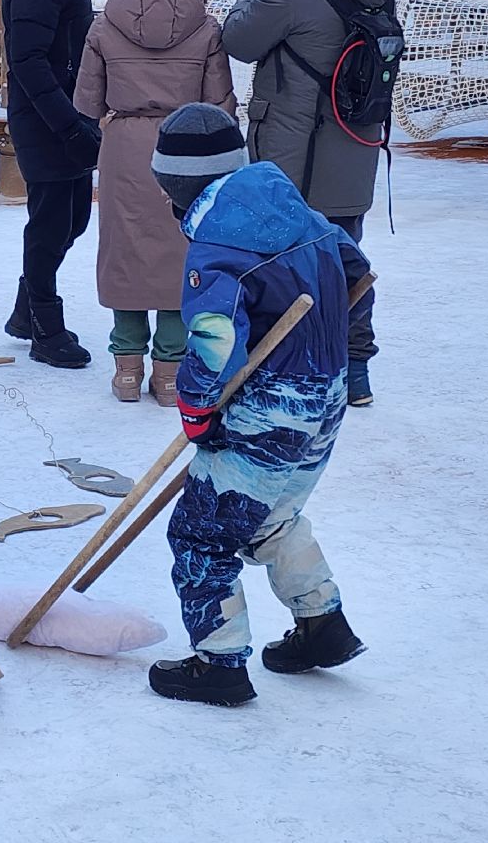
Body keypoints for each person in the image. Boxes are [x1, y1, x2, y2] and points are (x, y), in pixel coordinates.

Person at [144, 103, 371, 708]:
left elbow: (216, 340)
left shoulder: (218, 243)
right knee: (270, 517)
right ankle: (322, 626)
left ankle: (218, 663)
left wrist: (195, 408)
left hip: (266, 409)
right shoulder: (293, 207)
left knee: (201, 536)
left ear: (174, 187)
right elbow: (357, 271)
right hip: (322, 397)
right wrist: (337, 350)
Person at [221, 0, 394, 407]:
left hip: (291, 159)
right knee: (346, 258)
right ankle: (356, 373)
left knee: (281, 263)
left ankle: (287, 373)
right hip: (355, 147)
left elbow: (239, 39)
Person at [72, 0, 236, 404]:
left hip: (123, 146)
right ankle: (168, 374)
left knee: (126, 250)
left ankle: (125, 370)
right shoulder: (206, 25)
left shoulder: (105, 23)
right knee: (177, 251)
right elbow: (221, 106)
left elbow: (87, 101)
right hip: (186, 151)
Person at [0, 0, 116, 368]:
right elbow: (27, 63)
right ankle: (45, 328)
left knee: (74, 220)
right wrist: (67, 124)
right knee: (49, 226)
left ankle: (26, 312)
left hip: (66, 118)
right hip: (48, 121)